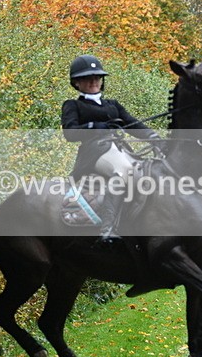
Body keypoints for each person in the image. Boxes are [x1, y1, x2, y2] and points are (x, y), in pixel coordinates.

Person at [61, 54, 159, 245]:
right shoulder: (73, 105)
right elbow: (69, 133)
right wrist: (94, 127)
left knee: (147, 172)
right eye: (87, 78)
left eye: (97, 77)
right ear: (77, 83)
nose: (93, 81)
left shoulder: (112, 105)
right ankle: (108, 228)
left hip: (119, 149)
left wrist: (153, 137)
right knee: (125, 171)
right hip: (95, 151)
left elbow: (132, 124)